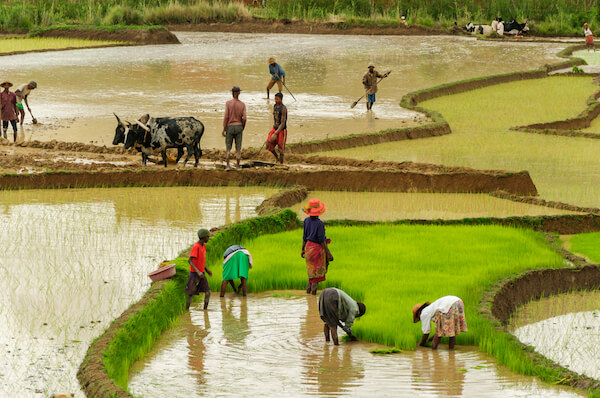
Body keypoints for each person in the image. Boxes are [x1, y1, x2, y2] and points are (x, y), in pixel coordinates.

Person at [301, 198, 332, 295]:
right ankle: (313, 298)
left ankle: (308, 297)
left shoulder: (306, 221)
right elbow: (321, 240)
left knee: (311, 275)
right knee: (316, 277)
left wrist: (302, 249)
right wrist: (328, 253)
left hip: (308, 248)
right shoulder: (319, 223)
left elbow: (304, 237)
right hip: (316, 250)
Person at [185, 228, 213, 310]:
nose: (209, 238)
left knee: (208, 292)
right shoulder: (196, 247)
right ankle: (187, 311)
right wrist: (198, 272)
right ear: (204, 237)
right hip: (194, 274)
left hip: (202, 273)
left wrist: (206, 270)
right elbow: (189, 261)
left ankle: (205, 311)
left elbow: (200, 261)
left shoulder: (203, 246)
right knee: (191, 294)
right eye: (208, 237)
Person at [222, 86, 247, 170]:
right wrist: (242, 126)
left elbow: (226, 117)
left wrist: (224, 128)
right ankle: (237, 166)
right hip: (239, 126)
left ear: (232, 93)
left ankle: (228, 166)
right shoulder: (242, 104)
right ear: (239, 93)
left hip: (229, 126)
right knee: (238, 148)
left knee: (228, 147)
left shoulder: (228, 103)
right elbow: (245, 118)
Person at [266, 92, 287, 164]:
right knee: (268, 144)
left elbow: (283, 123)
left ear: (281, 99)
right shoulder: (275, 106)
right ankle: (276, 157)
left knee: (281, 149)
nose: (276, 100)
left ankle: (281, 164)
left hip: (281, 130)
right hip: (274, 128)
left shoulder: (283, 109)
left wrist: (276, 133)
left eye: (277, 99)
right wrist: (273, 130)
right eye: (275, 99)